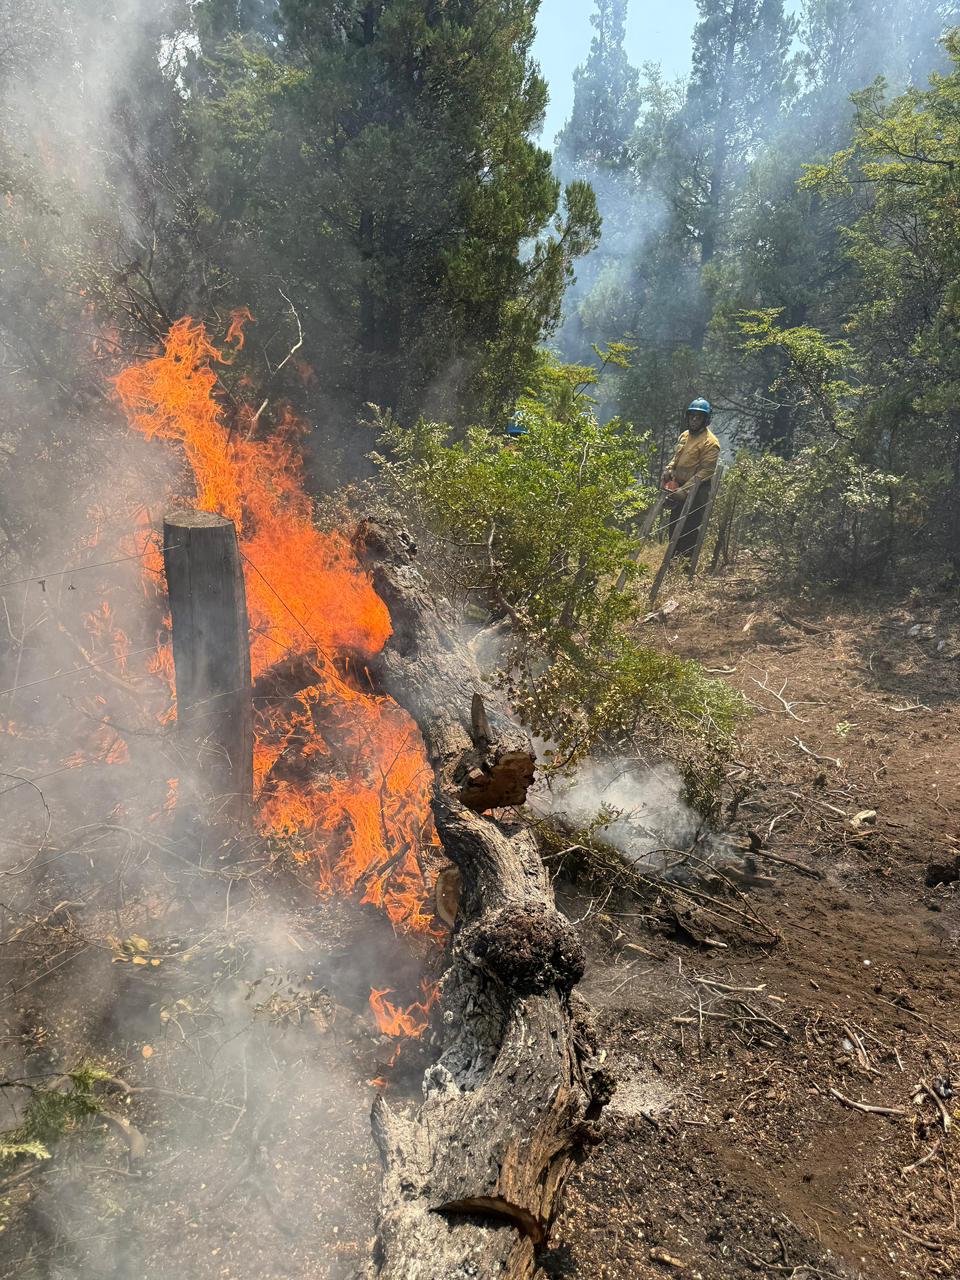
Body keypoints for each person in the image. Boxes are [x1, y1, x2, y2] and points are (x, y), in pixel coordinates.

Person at [661, 398, 721, 560]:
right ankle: (672, 564)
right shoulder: (685, 435)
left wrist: (684, 491)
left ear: (705, 419)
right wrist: (669, 470)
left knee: (689, 529)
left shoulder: (711, 443)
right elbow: (677, 457)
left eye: (698, 417)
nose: (694, 419)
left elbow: (705, 472)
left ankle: (685, 567)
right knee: (674, 527)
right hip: (678, 487)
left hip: (697, 492)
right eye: (692, 416)